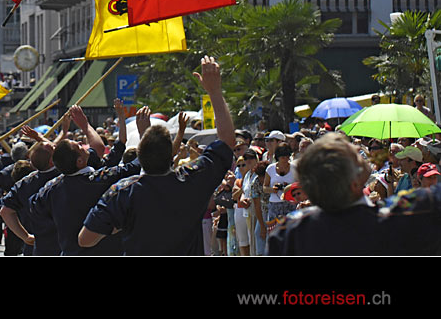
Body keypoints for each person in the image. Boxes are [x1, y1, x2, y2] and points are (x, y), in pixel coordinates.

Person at [78, 56, 236, 255]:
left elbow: (85, 239)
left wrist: (119, 223)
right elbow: (228, 141)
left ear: (139, 156)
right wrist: (214, 92)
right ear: (172, 155)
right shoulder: (192, 179)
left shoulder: (122, 192)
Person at [267, 132, 441, 255]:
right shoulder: (401, 215)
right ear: (356, 181)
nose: (361, 153)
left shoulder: (290, 233)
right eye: (355, 156)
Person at [31, 98, 142, 255]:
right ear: (80, 161)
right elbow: (135, 166)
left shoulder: (50, 189)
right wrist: (145, 136)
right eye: (80, 147)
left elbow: (34, 206)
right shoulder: (101, 178)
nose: (85, 147)